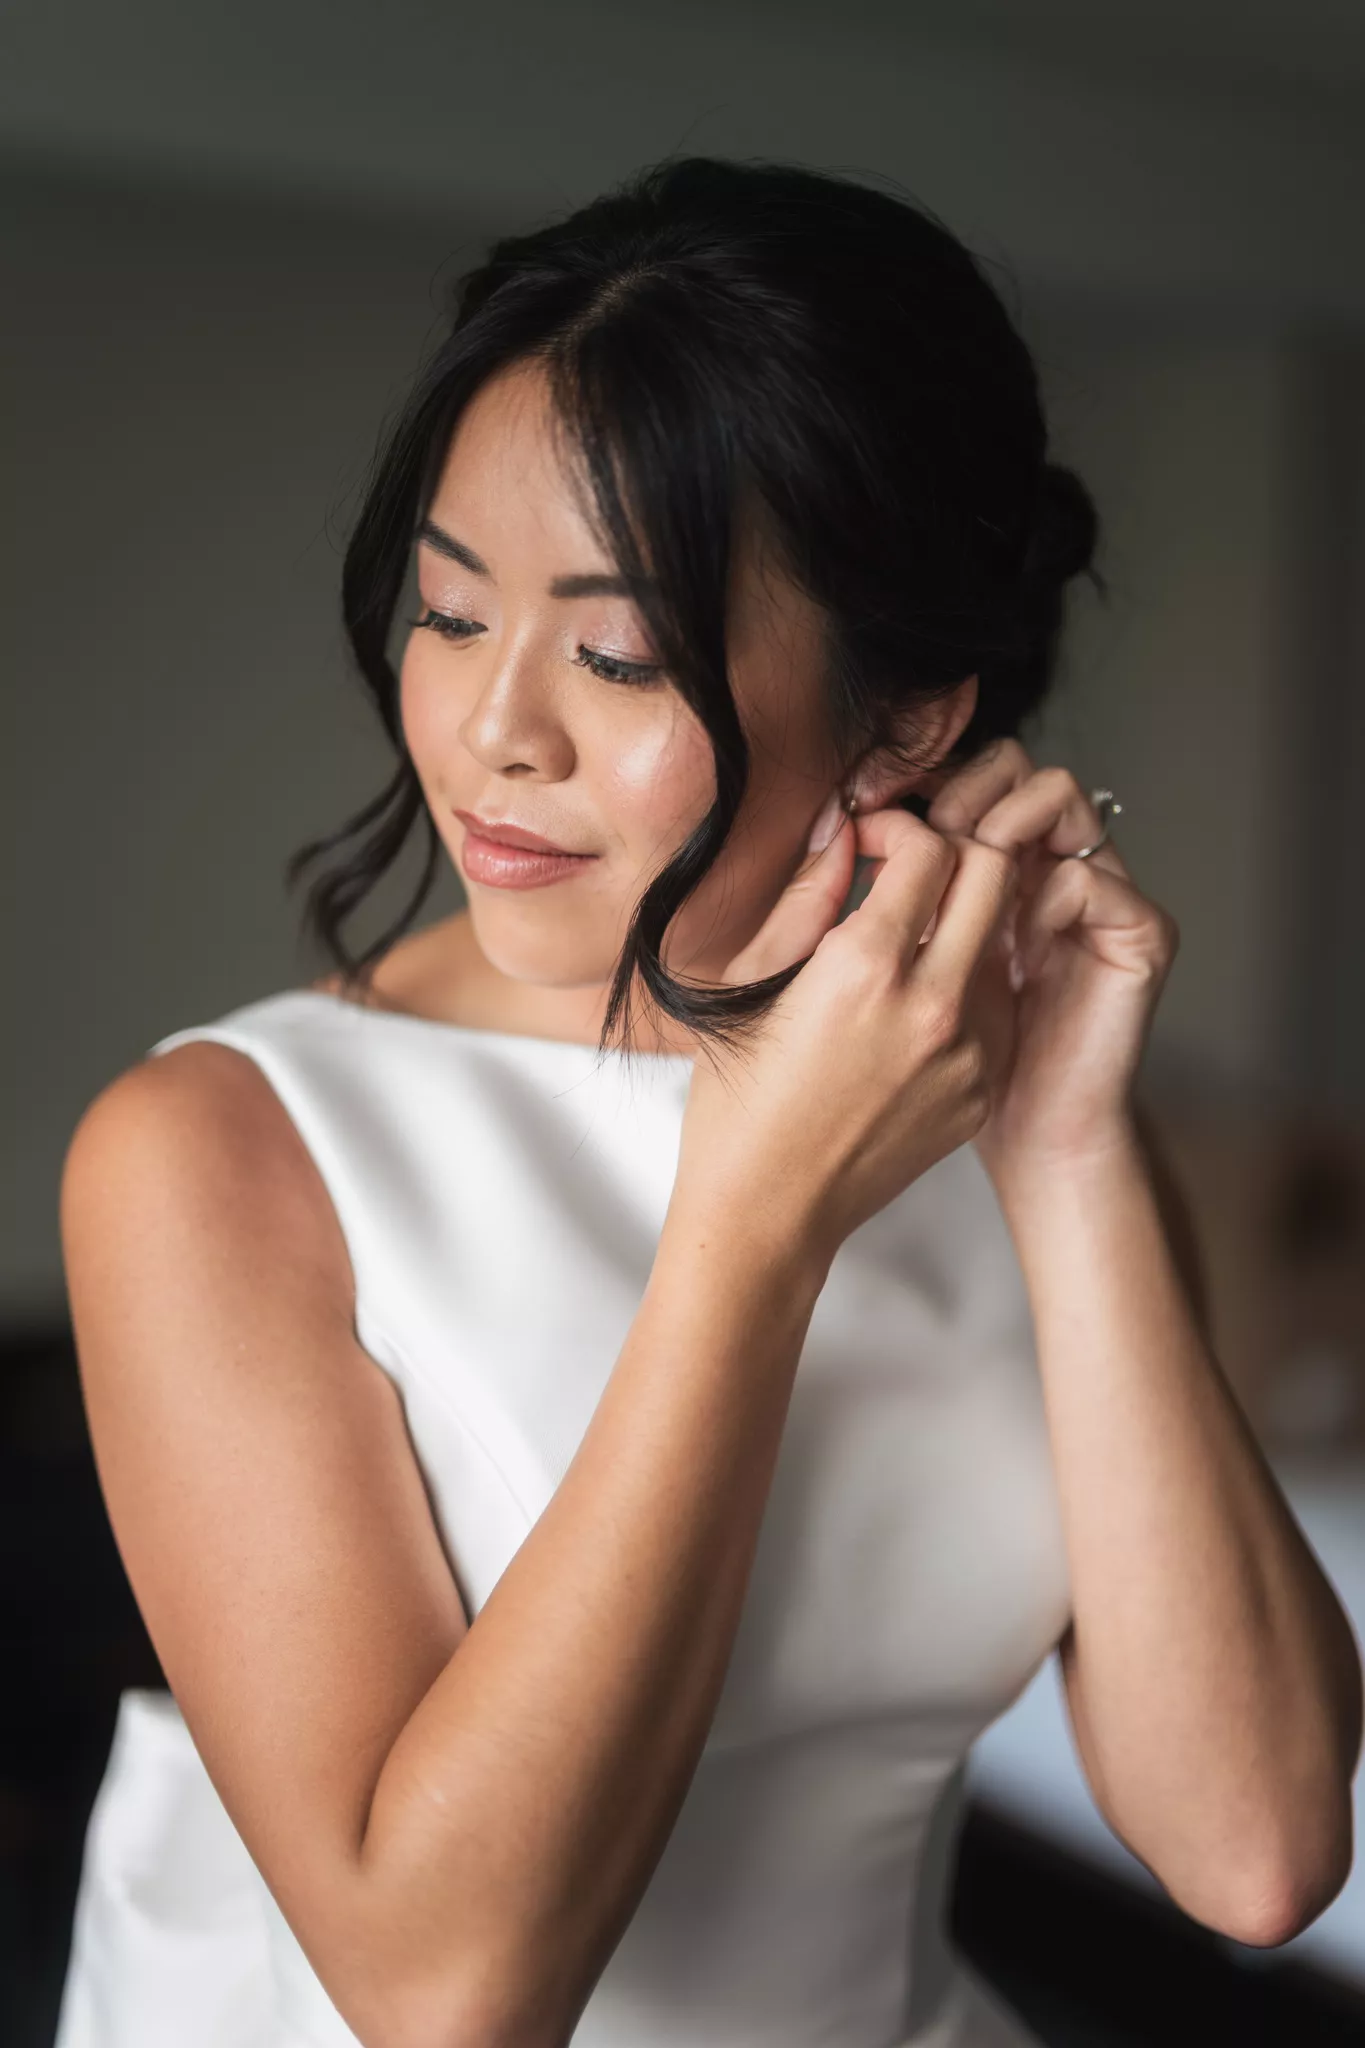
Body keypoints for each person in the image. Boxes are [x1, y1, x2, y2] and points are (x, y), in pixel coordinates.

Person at [55, 156, 1361, 2048]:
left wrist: (1069, 1149)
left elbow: (1255, 1848)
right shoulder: (220, 1154)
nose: (495, 728)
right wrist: (753, 1219)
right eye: (445, 610)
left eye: (615, 651)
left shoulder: (983, 1102)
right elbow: (443, 1998)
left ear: (909, 717)